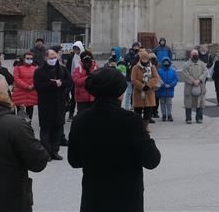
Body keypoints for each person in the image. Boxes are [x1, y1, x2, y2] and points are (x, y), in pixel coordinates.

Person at [68, 67, 161, 212]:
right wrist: (146, 136)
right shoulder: (131, 121)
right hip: (126, 199)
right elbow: (152, 160)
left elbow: (74, 161)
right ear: (119, 94)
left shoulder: (80, 120)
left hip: (94, 198)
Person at [0, 73, 49, 212]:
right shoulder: (15, 125)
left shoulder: (13, 124)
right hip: (10, 200)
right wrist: (27, 131)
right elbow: (39, 162)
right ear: (6, 93)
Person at [33, 48, 72, 160]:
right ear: (46, 58)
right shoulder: (39, 71)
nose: (53, 59)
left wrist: (61, 84)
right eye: (51, 58)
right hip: (46, 104)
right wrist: (53, 84)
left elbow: (70, 82)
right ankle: (46, 152)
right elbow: (38, 86)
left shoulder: (62, 69)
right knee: (46, 128)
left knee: (58, 128)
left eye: (55, 57)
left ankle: (55, 151)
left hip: (59, 104)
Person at [131, 49, 160, 124]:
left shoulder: (152, 67)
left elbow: (156, 78)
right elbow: (133, 80)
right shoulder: (135, 68)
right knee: (137, 112)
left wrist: (148, 85)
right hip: (138, 93)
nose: (145, 60)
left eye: (146, 58)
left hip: (149, 92)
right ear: (140, 59)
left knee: (147, 112)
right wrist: (142, 86)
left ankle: (145, 126)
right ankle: (138, 126)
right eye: (143, 58)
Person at [180, 49, 208, 124]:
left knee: (200, 103)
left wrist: (199, 80)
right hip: (189, 87)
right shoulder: (186, 65)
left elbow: (205, 72)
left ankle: (199, 118)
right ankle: (188, 118)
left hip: (200, 86)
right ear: (190, 55)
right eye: (193, 54)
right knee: (188, 103)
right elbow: (185, 74)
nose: (195, 55)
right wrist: (193, 81)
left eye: (196, 54)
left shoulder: (202, 64)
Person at [13, 51, 39, 121]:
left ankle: (28, 126)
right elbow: (16, 79)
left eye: (31, 58)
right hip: (20, 92)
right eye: (27, 58)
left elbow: (37, 78)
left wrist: (33, 85)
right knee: (20, 112)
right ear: (23, 58)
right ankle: (20, 127)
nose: (29, 60)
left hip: (31, 92)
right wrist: (27, 86)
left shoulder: (35, 68)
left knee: (30, 111)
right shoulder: (18, 67)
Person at [72, 51, 98, 115]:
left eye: (89, 57)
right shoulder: (78, 69)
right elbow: (76, 81)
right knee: (82, 116)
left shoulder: (96, 67)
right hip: (82, 99)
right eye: (85, 57)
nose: (87, 59)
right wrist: (87, 78)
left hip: (94, 98)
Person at [156, 57, 178, 122]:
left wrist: (170, 85)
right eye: (165, 62)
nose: (166, 63)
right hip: (161, 89)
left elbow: (175, 79)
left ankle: (169, 114)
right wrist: (163, 84)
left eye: (167, 62)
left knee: (169, 103)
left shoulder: (173, 71)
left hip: (170, 90)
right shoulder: (159, 70)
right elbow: (158, 79)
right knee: (162, 103)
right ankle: (164, 115)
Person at [123, 42, 141, 109]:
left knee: (135, 92)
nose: (136, 48)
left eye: (137, 47)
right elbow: (125, 63)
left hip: (137, 76)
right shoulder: (128, 55)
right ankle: (127, 106)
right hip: (129, 76)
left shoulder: (140, 54)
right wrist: (128, 66)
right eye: (135, 46)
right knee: (129, 92)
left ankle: (134, 105)